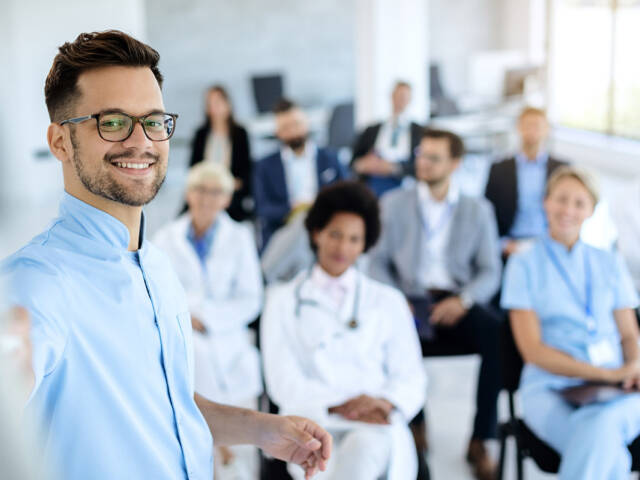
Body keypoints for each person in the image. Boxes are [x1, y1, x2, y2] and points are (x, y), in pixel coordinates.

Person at [0, 30, 331, 480]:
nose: (142, 142)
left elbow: (164, 399)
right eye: (112, 122)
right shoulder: (36, 282)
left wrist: (261, 429)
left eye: (153, 121)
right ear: (60, 142)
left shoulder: (155, 265)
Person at [261, 181, 427, 480]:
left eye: (354, 239)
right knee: (349, 454)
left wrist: (384, 404)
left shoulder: (388, 300)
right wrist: (341, 405)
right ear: (316, 233)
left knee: (366, 445)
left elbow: (412, 376)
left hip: (377, 423)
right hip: (313, 421)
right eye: (335, 235)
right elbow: (281, 382)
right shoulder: (282, 300)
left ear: (365, 244)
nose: (343, 248)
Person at [368, 129, 502, 480]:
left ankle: (481, 438)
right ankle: (416, 427)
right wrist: (397, 301)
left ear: (455, 164)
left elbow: (490, 270)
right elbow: (377, 262)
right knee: (392, 335)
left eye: (433, 158)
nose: (422, 163)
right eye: (421, 155)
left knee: (497, 332)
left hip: (456, 298)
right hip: (410, 297)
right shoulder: (394, 203)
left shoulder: (478, 210)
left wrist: (464, 299)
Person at [501, 166, 640, 480]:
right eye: (561, 199)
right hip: (549, 389)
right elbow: (533, 351)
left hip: (618, 389)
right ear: (546, 202)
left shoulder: (609, 261)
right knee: (606, 445)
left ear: (591, 210)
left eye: (579, 203)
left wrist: (633, 366)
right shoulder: (523, 264)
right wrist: (606, 374)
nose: (568, 210)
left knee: (600, 429)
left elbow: (630, 333)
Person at [153, 162, 263, 479]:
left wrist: (209, 318)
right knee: (197, 448)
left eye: (215, 192)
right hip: (186, 345)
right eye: (200, 190)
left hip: (231, 352)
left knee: (242, 455)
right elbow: (160, 292)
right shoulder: (165, 237)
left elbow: (251, 299)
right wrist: (190, 314)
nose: (206, 198)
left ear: (226, 199)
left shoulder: (239, 237)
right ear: (189, 193)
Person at [253, 99, 349, 249]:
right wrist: (291, 208)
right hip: (283, 231)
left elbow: (347, 195)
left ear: (306, 123)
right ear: (277, 132)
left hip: (326, 228)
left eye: (296, 124)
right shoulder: (265, 166)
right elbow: (262, 208)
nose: (292, 131)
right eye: (285, 127)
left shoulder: (331, 158)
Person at [485, 107, 566, 258]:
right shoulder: (499, 169)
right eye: (527, 125)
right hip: (510, 244)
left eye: (537, 126)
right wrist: (502, 244)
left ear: (547, 130)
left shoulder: (562, 169)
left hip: (550, 244)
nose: (532, 131)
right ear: (518, 128)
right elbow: (487, 213)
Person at [187, 85, 253, 221]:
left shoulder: (240, 134)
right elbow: (193, 168)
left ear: (227, 104)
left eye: (217, 102)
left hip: (231, 193)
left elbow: (247, 171)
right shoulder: (201, 134)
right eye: (209, 103)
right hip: (203, 191)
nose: (213, 107)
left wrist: (229, 184)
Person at [351, 81, 424, 197]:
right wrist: (363, 164)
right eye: (398, 96)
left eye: (404, 97)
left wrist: (395, 168)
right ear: (391, 96)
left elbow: (422, 165)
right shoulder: (371, 130)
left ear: (410, 100)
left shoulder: (420, 132)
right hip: (374, 181)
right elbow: (353, 162)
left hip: (404, 182)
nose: (400, 100)